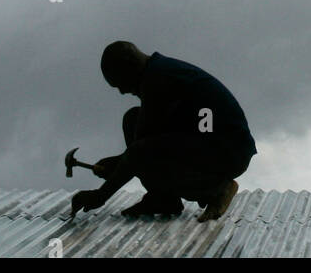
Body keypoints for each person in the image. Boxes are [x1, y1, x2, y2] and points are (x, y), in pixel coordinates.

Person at [71, 41, 257, 221]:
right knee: (133, 119)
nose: (122, 91)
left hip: (228, 151)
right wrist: (119, 164)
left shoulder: (158, 79)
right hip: (209, 139)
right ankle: (163, 199)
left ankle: (217, 189)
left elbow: (139, 152)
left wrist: (100, 195)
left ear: (129, 68)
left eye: (120, 83)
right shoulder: (158, 72)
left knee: (141, 148)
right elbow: (143, 142)